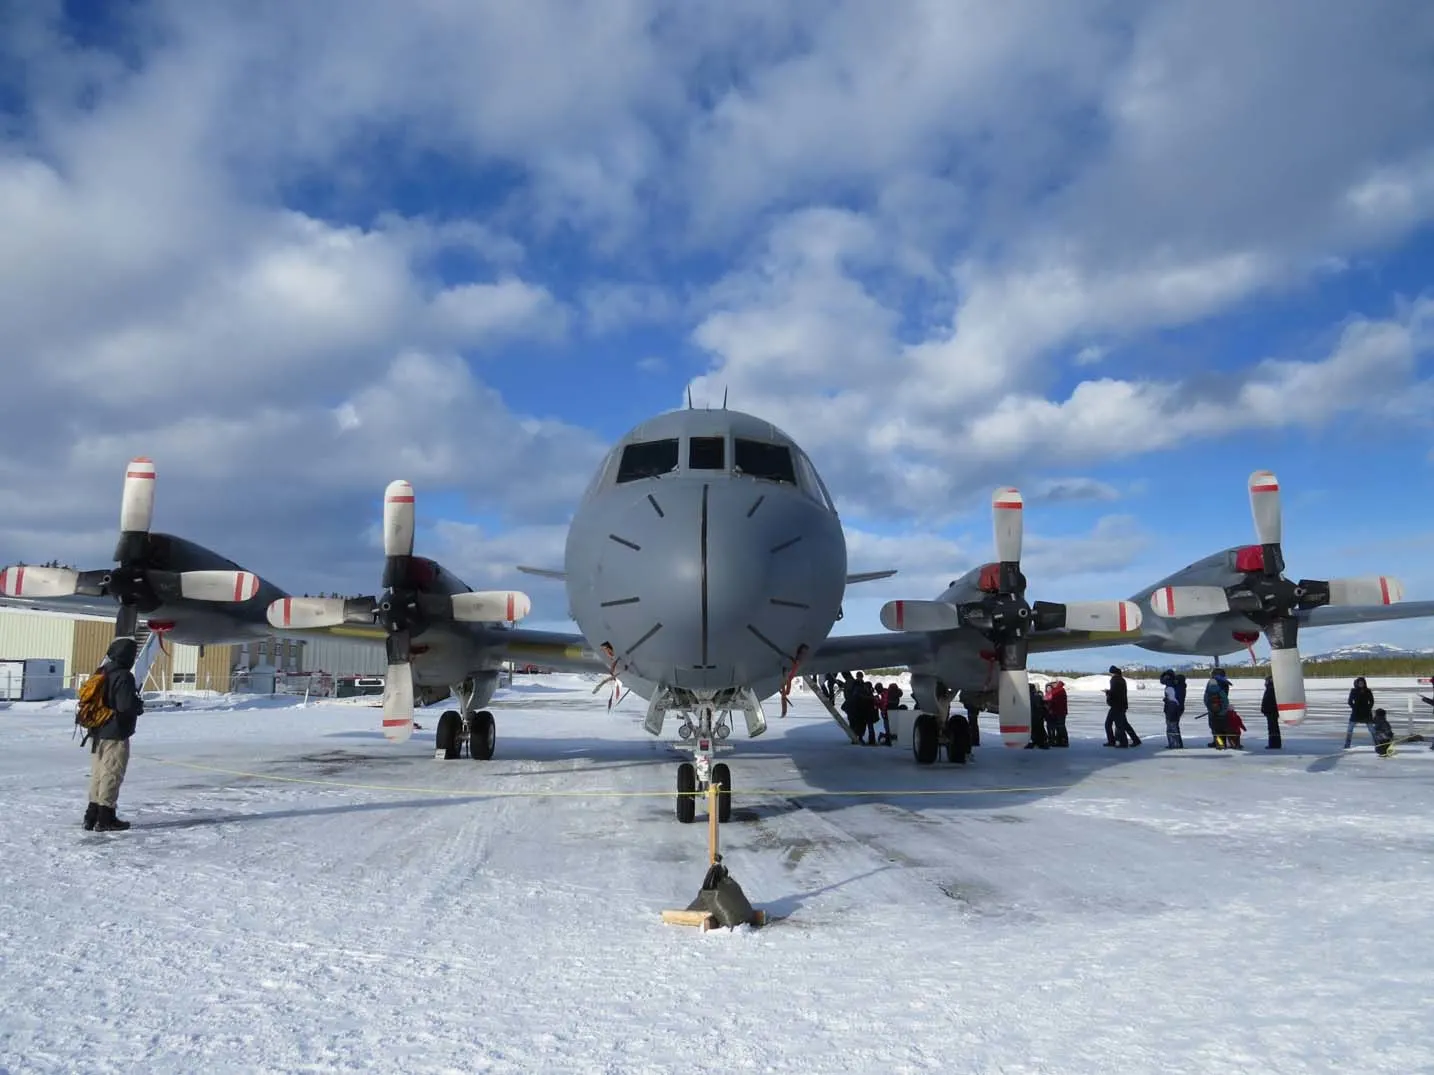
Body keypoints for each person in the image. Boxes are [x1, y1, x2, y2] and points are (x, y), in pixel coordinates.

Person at [84, 638, 145, 832]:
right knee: (112, 773)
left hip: (97, 731)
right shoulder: (123, 676)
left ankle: (91, 815)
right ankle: (106, 817)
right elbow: (125, 705)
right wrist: (138, 706)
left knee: (98, 774)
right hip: (115, 732)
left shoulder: (102, 671)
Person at [1103, 665, 1140, 747]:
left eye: (1111, 673)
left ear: (1113, 673)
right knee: (1124, 724)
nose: (1111, 675)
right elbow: (1118, 691)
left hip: (1116, 705)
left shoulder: (1114, 680)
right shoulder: (1122, 679)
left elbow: (1115, 693)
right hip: (1122, 705)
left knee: (1111, 724)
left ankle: (1121, 742)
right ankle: (1136, 740)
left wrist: (1107, 692)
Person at [1203, 669, 1232, 749]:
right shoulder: (1224, 682)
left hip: (1215, 708)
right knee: (1221, 727)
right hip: (1222, 708)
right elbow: (1224, 697)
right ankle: (1220, 742)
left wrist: (1209, 705)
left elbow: (1208, 696)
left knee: (1215, 727)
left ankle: (1219, 743)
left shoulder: (1214, 682)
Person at [1344, 676, 1375, 749]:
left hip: (1366, 712)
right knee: (1350, 729)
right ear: (1357, 683)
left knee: (1371, 729)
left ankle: (1377, 743)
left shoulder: (1368, 691)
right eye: (1359, 683)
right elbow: (1349, 701)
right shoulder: (1353, 691)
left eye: (1362, 683)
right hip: (1356, 713)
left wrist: (1368, 707)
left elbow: (1372, 701)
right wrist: (1354, 707)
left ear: (1364, 683)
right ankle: (1347, 745)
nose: (1361, 684)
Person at [1160, 669, 1184, 748]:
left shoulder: (1172, 685)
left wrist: (1170, 702)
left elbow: (1174, 698)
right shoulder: (1173, 685)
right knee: (1172, 726)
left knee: (1172, 726)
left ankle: (1175, 744)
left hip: (1173, 708)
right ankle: (1174, 743)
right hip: (1172, 707)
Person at [1044, 680, 1069, 747]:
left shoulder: (1059, 690)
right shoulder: (1058, 690)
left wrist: (1049, 705)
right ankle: (1060, 741)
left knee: (1060, 727)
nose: (1052, 685)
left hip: (1059, 712)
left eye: (1053, 683)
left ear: (1056, 684)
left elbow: (1054, 701)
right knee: (1058, 727)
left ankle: (1063, 741)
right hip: (1058, 711)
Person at [1024, 684, 1050, 749]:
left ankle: (1039, 742)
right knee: (1039, 730)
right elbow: (1041, 706)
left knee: (1035, 730)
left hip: (1033, 716)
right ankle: (1041, 742)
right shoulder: (1037, 696)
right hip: (1037, 716)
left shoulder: (1028, 697)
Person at [1260, 675, 1282, 749]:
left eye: (1266, 680)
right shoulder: (1271, 688)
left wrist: (1265, 709)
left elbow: (1269, 701)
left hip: (1271, 712)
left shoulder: (1271, 688)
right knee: (1274, 728)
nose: (1265, 682)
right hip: (1271, 711)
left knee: (1273, 729)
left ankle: (1274, 744)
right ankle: (1275, 744)